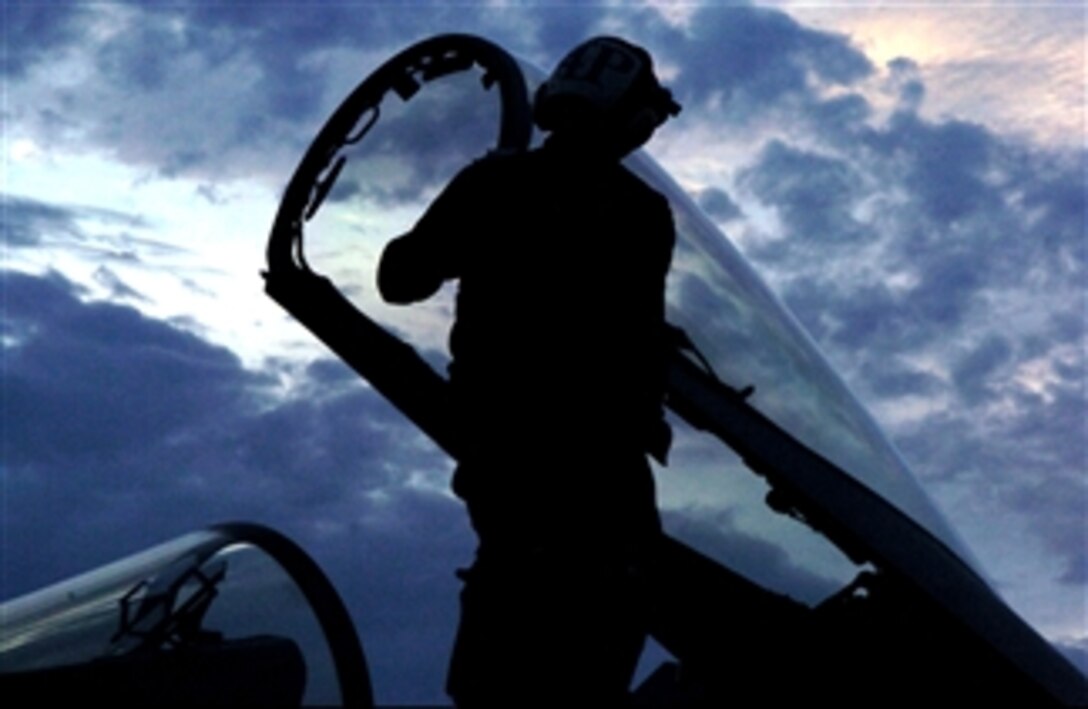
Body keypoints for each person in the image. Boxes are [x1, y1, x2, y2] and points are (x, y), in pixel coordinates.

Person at [377, 36, 681, 706]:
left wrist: (468, 223)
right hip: (601, 483)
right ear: (631, 119)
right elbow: (637, 337)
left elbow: (399, 278)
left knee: (503, 653)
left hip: (508, 471)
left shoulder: (493, 186)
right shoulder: (642, 214)